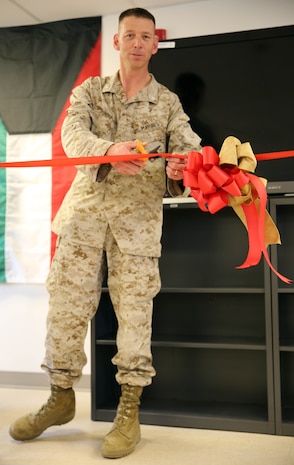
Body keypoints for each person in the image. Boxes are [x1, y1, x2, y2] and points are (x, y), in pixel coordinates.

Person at [9, 8, 201, 459]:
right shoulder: (90, 92)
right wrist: (110, 150)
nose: (137, 43)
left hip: (136, 228)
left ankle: (128, 412)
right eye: (129, 35)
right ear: (116, 42)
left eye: (146, 36)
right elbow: (72, 137)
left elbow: (189, 147)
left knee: (134, 319)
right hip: (83, 220)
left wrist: (183, 166)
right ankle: (59, 399)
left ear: (156, 44)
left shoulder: (168, 103)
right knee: (64, 312)